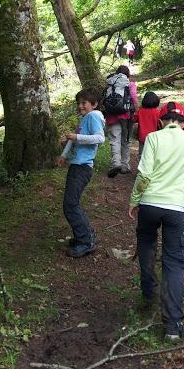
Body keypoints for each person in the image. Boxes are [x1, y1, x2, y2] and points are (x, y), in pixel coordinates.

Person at [128, 102, 184, 340]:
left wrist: (134, 200)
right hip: (176, 207)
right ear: (183, 122)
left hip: (150, 203)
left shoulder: (153, 138)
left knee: (146, 243)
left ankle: (148, 288)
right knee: (174, 262)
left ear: (161, 120)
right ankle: (172, 325)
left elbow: (144, 174)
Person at [57, 88, 105, 258]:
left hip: (82, 167)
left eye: (84, 103)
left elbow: (100, 138)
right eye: (79, 103)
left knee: (70, 205)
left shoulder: (93, 116)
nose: (80, 106)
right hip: (77, 165)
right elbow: (74, 138)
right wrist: (64, 156)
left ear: (94, 104)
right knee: (72, 203)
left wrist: (76, 138)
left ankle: (86, 241)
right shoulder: (84, 119)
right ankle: (85, 235)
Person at [104, 65, 137, 178]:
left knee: (115, 140)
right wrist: (135, 111)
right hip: (126, 116)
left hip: (112, 115)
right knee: (126, 140)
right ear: (127, 74)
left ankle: (116, 163)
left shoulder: (110, 83)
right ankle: (125, 166)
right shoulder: (130, 84)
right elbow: (133, 97)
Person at [133, 91, 161, 157]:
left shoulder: (140, 111)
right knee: (153, 154)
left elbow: (133, 119)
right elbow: (160, 124)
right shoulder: (157, 112)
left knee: (142, 154)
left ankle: (141, 166)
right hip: (154, 137)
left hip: (142, 136)